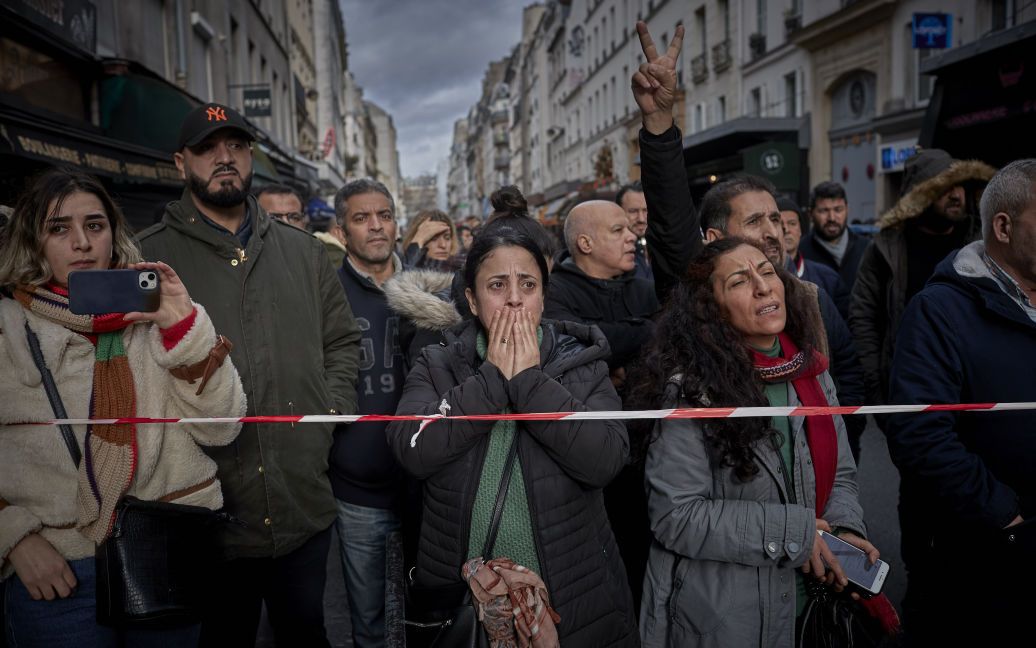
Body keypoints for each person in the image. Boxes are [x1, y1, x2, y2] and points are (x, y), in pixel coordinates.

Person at [137, 102, 361, 647]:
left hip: (300, 500)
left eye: (235, 146)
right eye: (209, 148)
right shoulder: (146, 257)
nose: (225, 158)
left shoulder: (304, 252)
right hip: (206, 510)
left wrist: (324, 418)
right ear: (180, 162)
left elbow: (343, 343)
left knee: (305, 633)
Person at [0, 167, 246, 646]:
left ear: (113, 234)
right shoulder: (8, 329)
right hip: (54, 571)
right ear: (33, 241)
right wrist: (15, 539)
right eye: (58, 228)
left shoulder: (159, 313)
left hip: (160, 556)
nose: (82, 243)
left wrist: (182, 326)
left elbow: (223, 427)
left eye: (95, 225)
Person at [386, 227, 638, 646]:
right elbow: (411, 450)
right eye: (497, 285)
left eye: (528, 284)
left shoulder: (583, 363)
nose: (515, 298)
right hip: (463, 601)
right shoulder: (437, 363)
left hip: (574, 592)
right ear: (471, 300)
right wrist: (490, 382)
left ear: (543, 295)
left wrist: (527, 380)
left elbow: (606, 459)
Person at [631, 20, 866, 461]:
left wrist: (837, 463)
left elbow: (848, 378)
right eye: (755, 220)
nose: (772, 232)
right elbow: (671, 219)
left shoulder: (812, 296)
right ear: (715, 239)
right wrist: (660, 125)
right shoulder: (701, 295)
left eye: (776, 218)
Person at [633, 238, 876, 647]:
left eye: (767, 272)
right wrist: (794, 534)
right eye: (740, 281)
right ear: (711, 307)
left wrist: (844, 530)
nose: (764, 287)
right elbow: (676, 516)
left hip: (814, 605)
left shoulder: (812, 373)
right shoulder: (693, 391)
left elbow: (841, 475)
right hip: (727, 617)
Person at [884, 159, 1036, 645]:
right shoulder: (938, 311)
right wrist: (1005, 515)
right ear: (1004, 226)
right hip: (975, 553)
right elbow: (920, 433)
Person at [327, 178, 409, 648]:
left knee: (427, 614)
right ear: (342, 232)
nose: (376, 227)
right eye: (361, 218)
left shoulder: (429, 288)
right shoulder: (327, 294)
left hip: (426, 488)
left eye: (384, 215)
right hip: (358, 492)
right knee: (371, 626)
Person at [849, 149, 995, 407]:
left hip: (975, 384)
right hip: (909, 385)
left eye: (960, 185)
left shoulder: (982, 243)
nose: (955, 194)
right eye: (943, 187)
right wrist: (877, 385)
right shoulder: (886, 248)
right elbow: (863, 316)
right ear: (919, 196)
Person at [544, 200, 659, 376]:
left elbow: (669, 344)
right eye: (618, 230)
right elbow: (571, 348)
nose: (632, 237)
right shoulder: (552, 292)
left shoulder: (647, 290)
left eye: (628, 229)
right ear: (586, 244)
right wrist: (647, 330)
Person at [779, 197, 849, 318]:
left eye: (792, 223)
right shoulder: (761, 280)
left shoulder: (828, 277)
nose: (786, 230)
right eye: (779, 224)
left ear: (800, 230)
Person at [798, 182, 869, 292]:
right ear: (810, 214)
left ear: (847, 209)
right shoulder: (801, 252)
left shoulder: (866, 248)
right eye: (824, 211)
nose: (831, 218)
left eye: (838, 210)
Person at [616, 181, 653, 281]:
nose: (641, 218)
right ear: (619, 212)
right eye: (633, 211)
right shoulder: (612, 254)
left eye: (646, 210)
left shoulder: (667, 247)